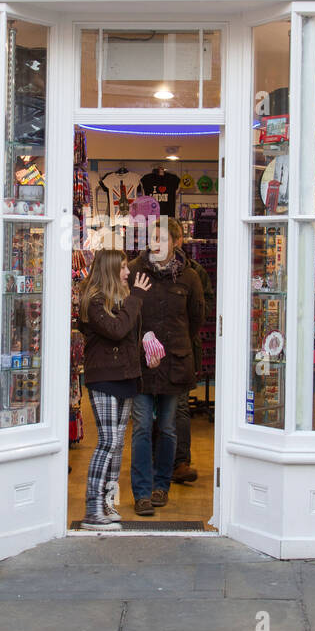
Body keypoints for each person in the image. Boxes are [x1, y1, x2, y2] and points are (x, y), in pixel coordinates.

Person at [127, 218, 204, 516]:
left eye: (161, 238)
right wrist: (142, 344)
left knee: (169, 428)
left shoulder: (189, 277)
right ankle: (142, 492)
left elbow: (196, 318)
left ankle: (162, 485)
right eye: (151, 238)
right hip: (142, 364)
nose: (155, 244)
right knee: (143, 427)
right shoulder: (134, 271)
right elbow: (125, 312)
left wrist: (174, 342)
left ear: (175, 242)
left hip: (175, 362)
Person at [76, 248, 152, 530]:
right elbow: (117, 330)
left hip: (127, 376)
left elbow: (129, 334)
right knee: (108, 441)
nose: (127, 272)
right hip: (104, 377)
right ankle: (92, 508)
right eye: (121, 268)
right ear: (109, 270)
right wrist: (137, 298)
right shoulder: (94, 302)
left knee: (118, 443)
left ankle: (108, 501)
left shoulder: (120, 298)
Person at [150, 218, 213, 484]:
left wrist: (182, 329)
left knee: (180, 408)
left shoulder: (194, 272)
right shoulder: (145, 268)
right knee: (154, 408)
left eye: (163, 239)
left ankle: (180, 462)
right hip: (152, 351)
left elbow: (203, 308)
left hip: (183, 349)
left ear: (177, 242)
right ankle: (159, 462)